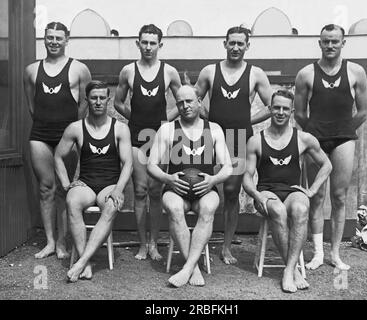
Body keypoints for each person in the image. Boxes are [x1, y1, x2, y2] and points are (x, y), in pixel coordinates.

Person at [195, 26, 273, 264]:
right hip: (211, 138)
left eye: (241, 43)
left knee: (231, 193)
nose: (236, 47)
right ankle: (200, 242)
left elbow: (273, 106)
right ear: (225, 43)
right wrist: (207, 118)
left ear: (247, 46)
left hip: (240, 140)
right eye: (232, 43)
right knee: (203, 189)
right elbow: (193, 99)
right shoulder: (210, 71)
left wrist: (246, 120)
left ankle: (226, 247)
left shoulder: (256, 74)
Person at [294, 24, 367, 270]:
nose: (330, 46)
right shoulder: (306, 73)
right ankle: (317, 253)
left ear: (343, 43)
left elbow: (363, 111)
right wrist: (316, 131)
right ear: (319, 43)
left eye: (335, 41)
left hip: (343, 139)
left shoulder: (356, 71)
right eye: (326, 41)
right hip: (315, 139)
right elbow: (299, 113)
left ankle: (335, 253)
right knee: (316, 196)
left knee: (338, 196)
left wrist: (343, 129)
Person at [243, 89, 332, 293]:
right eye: (276, 108)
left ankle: (289, 270)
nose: (280, 112)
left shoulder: (303, 139)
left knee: (301, 208)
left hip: (292, 191)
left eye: (285, 108)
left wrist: (312, 190)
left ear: (291, 111)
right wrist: (257, 195)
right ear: (270, 109)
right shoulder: (256, 140)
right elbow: (247, 176)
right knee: (278, 211)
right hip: (266, 192)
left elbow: (326, 165)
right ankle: (293, 271)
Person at [147, 85, 233, 287]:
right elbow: (151, 165)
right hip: (175, 188)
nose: (184, 106)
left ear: (199, 102)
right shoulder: (167, 129)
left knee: (209, 208)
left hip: (205, 189)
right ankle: (193, 269)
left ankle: (186, 269)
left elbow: (228, 167)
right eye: (180, 102)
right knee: (175, 209)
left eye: (189, 101)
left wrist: (213, 180)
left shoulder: (214, 129)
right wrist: (168, 178)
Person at [23, 22, 92, 259]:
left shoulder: (79, 69)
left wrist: (72, 130)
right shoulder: (31, 70)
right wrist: (46, 122)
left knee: (64, 188)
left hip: (67, 137)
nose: (53, 41)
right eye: (49, 37)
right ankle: (50, 242)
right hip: (40, 134)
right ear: (44, 39)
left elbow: (85, 102)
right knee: (45, 188)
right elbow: (32, 105)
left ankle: (63, 243)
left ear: (67, 39)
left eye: (58, 38)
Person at [114, 24, 182, 261]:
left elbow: (182, 101)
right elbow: (118, 102)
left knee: (156, 191)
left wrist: (165, 121)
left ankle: (154, 243)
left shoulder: (169, 72)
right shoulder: (128, 71)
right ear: (138, 43)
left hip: (161, 138)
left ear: (160, 45)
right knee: (140, 191)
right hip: (137, 138)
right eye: (145, 42)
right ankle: (143, 244)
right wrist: (137, 119)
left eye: (153, 43)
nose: (148, 47)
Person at [54, 81, 133, 282]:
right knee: (72, 201)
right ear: (87, 100)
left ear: (108, 100)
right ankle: (85, 262)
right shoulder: (76, 128)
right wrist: (65, 183)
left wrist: (119, 189)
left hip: (110, 185)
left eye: (102, 98)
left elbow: (128, 164)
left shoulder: (120, 129)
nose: (98, 102)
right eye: (93, 98)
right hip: (86, 184)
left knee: (110, 205)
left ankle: (81, 262)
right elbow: (58, 156)